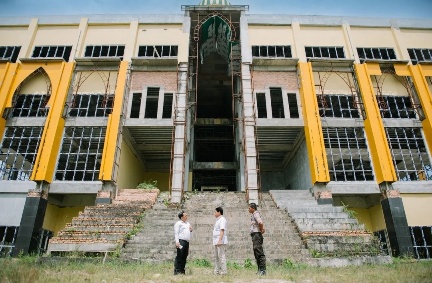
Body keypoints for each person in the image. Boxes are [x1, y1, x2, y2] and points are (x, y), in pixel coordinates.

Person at [248, 202, 266, 276]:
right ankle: (259, 269)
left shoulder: (256, 214)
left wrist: (261, 230)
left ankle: (263, 270)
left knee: (259, 252)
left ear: (253, 208)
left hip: (257, 235)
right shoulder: (253, 215)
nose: (248, 209)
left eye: (249, 208)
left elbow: (260, 223)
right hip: (254, 235)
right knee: (256, 252)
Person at [174, 211, 193, 275]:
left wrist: (191, 230)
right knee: (180, 255)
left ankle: (182, 270)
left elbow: (188, 232)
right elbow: (176, 233)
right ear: (182, 217)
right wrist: (177, 242)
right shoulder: (178, 223)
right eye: (185, 216)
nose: (187, 217)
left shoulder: (187, 223)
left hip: (186, 241)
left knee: (185, 256)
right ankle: (177, 270)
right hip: (181, 241)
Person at [213, 206, 228, 275]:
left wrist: (220, 240)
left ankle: (224, 271)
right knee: (216, 256)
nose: (214, 213)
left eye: (215, 212)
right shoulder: (218, 220)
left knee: (221, 256)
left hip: (220, 241)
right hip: (216, 241)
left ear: (219, 212)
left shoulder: (222, 219)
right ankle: (217, 271)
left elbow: (222, 230)